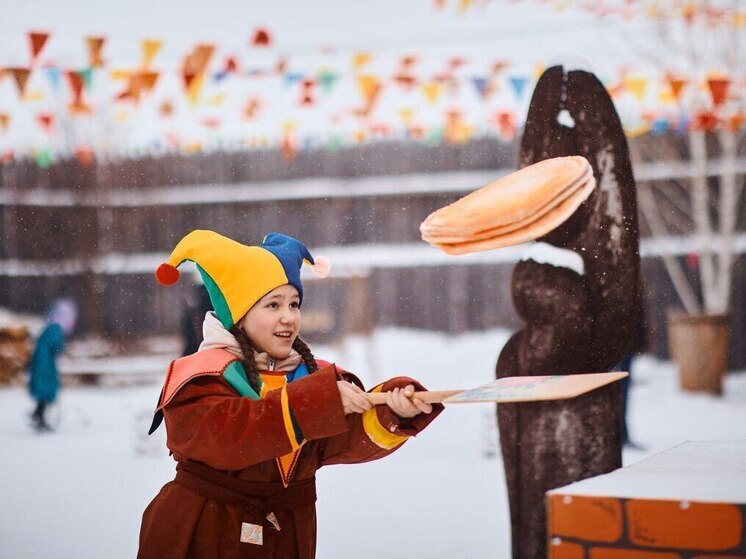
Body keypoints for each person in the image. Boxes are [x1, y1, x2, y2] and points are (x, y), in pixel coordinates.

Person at [138, 230, 443, 559]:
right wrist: (316, 401)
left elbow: (343, 437)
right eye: (273, 304)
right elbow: (234, 435)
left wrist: (394, 411)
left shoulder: (311, 376)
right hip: (202, 534)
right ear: (238, 315)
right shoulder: (200, 377)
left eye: (294, 304)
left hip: (284, 537)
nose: (289, 316)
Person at [28, 298, 77, 432]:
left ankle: (38, 415)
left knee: (44, 391)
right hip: (45, 365)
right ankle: (39, 417)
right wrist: (63, 348)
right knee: (46, 390)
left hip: (42, 363)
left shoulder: (50, 326)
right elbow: (55, 346)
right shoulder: (55, 328)